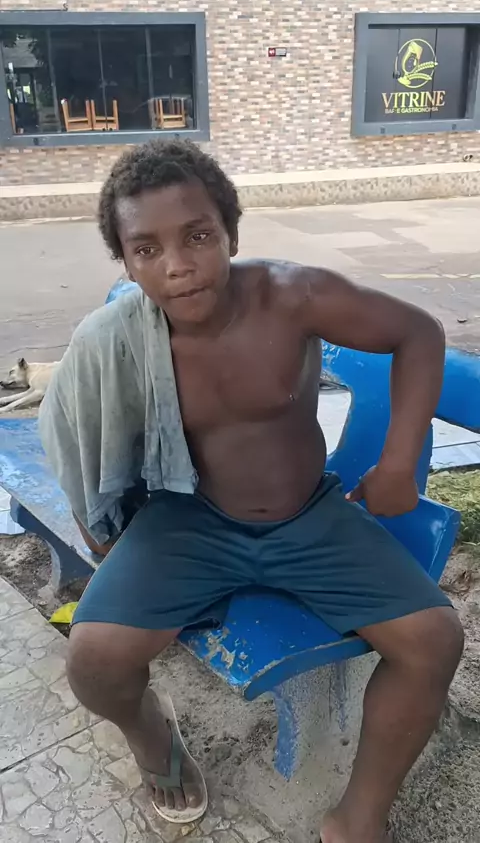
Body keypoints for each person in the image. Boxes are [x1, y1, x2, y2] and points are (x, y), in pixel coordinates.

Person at [39, 139, 463, 843]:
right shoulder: (121, 340)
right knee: (93, 660)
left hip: (309, 514)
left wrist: (398, 461)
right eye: (146, 250)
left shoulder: (292, 296)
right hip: (190, 518)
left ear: (231, 234)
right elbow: (85, 443)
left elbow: (417, 333)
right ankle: (156, 743)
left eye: (198, 236)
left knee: (433, 641)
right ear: (126, 262)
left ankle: (358, 817)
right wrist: (107, 535)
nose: (177, 265)